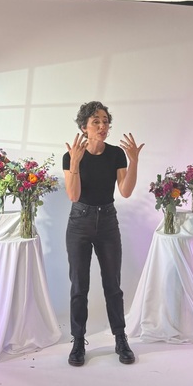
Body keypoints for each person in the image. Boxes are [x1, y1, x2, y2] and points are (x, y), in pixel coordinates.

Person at [62, 101, 145, 367]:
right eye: (95, 121)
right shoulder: (71, 156)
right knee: (79, 286)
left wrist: (134, 161)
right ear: (84, 127)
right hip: (80, 222)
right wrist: (75, 163)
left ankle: (120, 339)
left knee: (113, 285)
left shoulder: (116, 154)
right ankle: (78, 341)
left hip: (108, 221)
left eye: (105, 121)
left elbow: (125, 191)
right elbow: (73, 195)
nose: (102, 126)